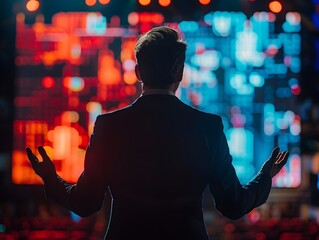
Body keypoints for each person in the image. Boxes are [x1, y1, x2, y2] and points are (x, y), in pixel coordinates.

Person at [26, 26, 289, 240]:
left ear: (138, 72)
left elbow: (85, 203)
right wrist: (265, 176)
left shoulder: (109, 126)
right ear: (180, 72)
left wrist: (50, 177)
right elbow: (233, 205)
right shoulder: (208, 126)